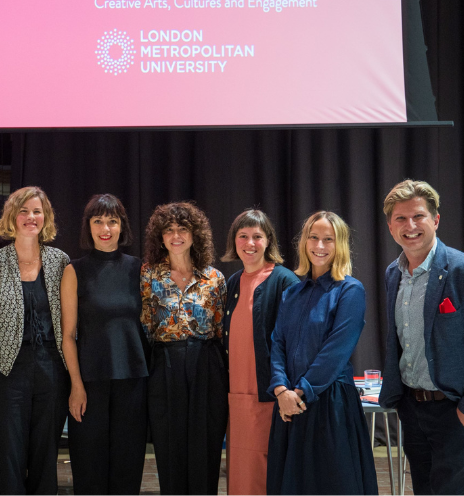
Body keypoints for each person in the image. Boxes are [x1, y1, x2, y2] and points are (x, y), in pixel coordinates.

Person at [378, 180, 464, 494]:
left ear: (436, 220)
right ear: (390, 226)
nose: (410, 226)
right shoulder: (394, 274)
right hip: (413, 410)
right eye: (400, 218)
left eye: (418, 216)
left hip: (457, 411)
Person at [266, 211, 377, 495]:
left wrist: (299, 393)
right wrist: (280, 391)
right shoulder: (292, 293)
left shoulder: (350, 290)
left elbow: (335, 353)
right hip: (289, 405)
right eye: (314, 237)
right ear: (304, 242)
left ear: (339, 245)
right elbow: (277, 342)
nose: (320, 245)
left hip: (329, 405)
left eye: (329, 239)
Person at [0, 186, 71, 494]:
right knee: (8, 452)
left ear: (46, 217)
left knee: (46, 451)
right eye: (24, 211)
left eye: (37, 211)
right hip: (7, 370)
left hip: (52, 367)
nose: (31, 217)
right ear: (12, 217)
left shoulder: (60, 261)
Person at [61, 194, 149, 495]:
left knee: (128, 467)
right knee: (89, 468)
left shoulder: (139, 268)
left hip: (133, 380)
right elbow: (67, 335)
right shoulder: (74, 270)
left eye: (112, 220)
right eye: (98, 220)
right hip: (89, 383)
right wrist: (75, 385)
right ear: (88, 226)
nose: (105, 227)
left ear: (122, 225)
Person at [140, 201, 227, 495]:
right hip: (165, 361)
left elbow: (220, 329)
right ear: (160, 237)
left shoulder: (215, 279)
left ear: (195, 235)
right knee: (169, 442)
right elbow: (145, 324)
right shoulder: (149, 276)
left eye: (183, 229)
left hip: (206, 361)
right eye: (169, 230)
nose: (176, 235)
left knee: (206, 440)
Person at [219, 209, 299, 495]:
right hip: (237, 394)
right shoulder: (232, 282)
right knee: (240, 467)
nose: (249, 243)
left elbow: (295, 343)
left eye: (257, 236)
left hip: (270, 394)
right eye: (243, 236)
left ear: (268, 241)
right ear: (234, 241)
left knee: (265, 468)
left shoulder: (284, 281)